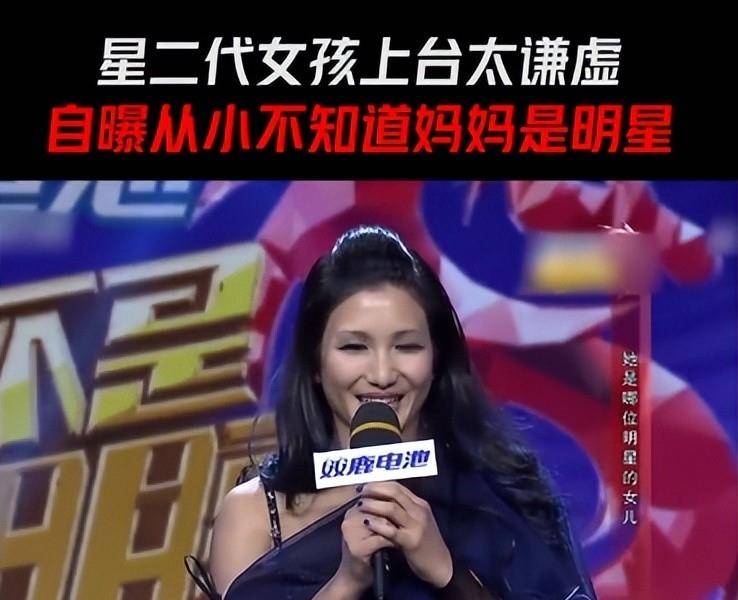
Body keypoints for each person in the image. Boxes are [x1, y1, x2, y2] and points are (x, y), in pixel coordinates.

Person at [187, 225, 597, 599]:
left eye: (407, 346)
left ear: (437, 358)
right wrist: (345, 582)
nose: (382, 375)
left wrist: (447, 572)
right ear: (315, 363)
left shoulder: (502, 489)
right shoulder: (257, 513)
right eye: (354, 347)